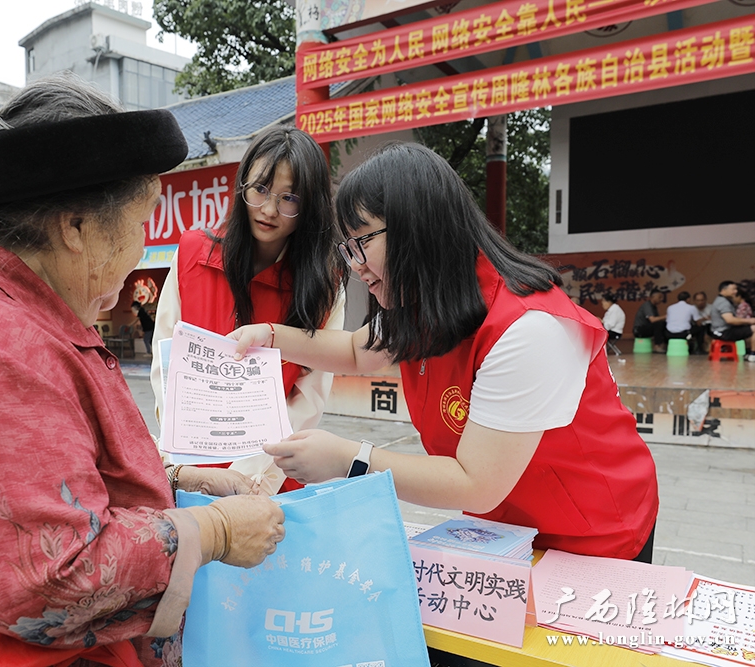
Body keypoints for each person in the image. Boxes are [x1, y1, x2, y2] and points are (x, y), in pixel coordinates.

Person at [0, 74, 284, 667]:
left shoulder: (5, 306)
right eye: (140, 222)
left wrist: (175, 479)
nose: (142, 249)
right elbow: (51, 580)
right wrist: (216, 531)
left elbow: (41, 474)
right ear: (75, 228)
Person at [231, 143, 659, 561]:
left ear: (417, 229)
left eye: (362, 242)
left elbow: (476, 482)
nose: (356, 267)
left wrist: (349, 460)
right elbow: (356, 351)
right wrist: (270, 335)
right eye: (348, 249)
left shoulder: (528, 328)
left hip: (594, 535)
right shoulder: (424, 300)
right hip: (507, 529)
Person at [150, 126, 346, 493]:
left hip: (269, 473)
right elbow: (166, 361)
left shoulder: (325, 284)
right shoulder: (192, 253)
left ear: (310, 205)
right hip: (189, 463)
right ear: (242, 187)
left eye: (289, 198)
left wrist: (250, 474)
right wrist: (184, 463)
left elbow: (309, 394)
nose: (269, 210)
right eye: (260, 190)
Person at [710, 280, 755, 361]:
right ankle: (753, 354)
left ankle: (748, 353)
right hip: (724, 332)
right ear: (723, 290)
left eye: (736, 289)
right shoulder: (723, 302)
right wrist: (750, 320)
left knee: (748, 329)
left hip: (720, 331)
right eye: (733, 289)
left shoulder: (722, 300)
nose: (736, 291)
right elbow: (730, 320)